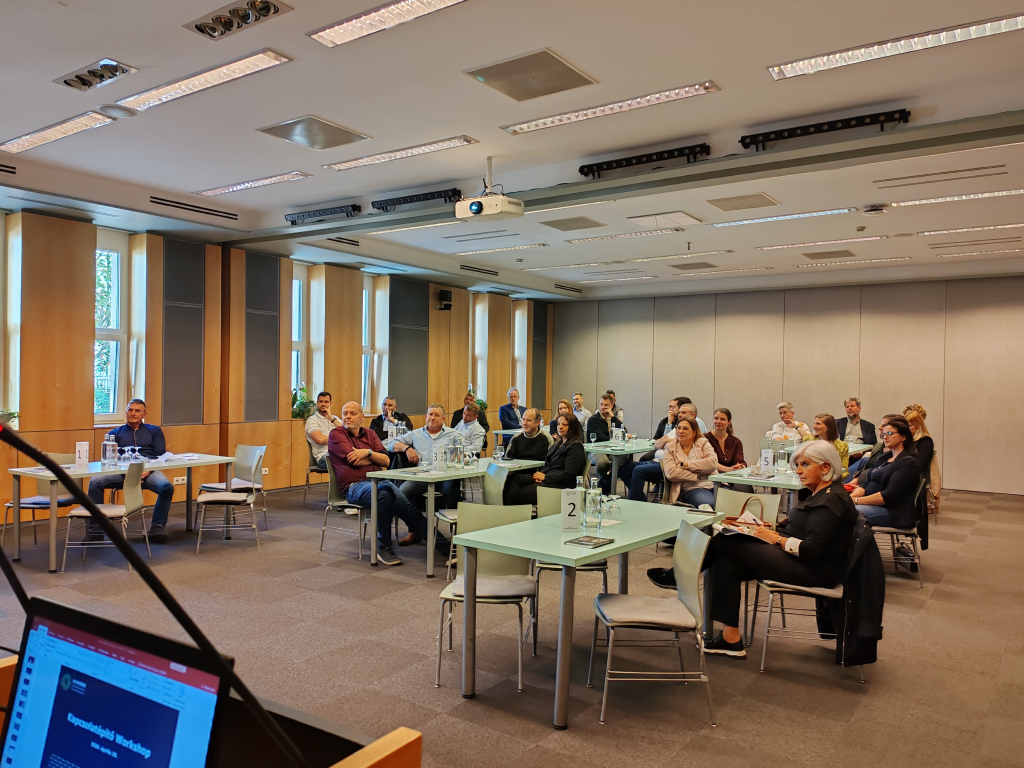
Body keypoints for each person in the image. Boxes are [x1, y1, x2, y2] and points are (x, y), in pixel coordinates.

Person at [647, 441, 858, 659]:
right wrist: (765, 530)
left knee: (728, 541)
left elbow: (813, 550)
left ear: (825, 467)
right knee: (726, 562)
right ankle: (730, 639)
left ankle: (679, 576)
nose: (798, 471)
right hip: (803, 560)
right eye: (797, 465)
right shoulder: (824, 494)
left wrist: (776, 539)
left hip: (814, 570)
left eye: (805, 464)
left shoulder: (831, 500)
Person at [328, 401, 447, 567]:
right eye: (345, 413)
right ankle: (383, 547)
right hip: (355, 486)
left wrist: (367, 452)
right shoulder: (336, 434)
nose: (348, 417)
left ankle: (446, 548)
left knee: (408, 508)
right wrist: (373, 457)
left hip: (380, 481)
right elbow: (354, 460)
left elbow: (386, 460)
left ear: (362, 417)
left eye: (352, 413)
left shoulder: (370, 434)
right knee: (384, 495)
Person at [88, 399, 174, 543]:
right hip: (123, 472)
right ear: (126, 412)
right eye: (130, 410)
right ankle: (96, 529)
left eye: (137, 411)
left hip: (148, 471)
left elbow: (159, 455)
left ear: (144, 414)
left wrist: (147, 471)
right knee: (95, 482)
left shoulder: (154, 431)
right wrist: (126, 472)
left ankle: (157, 528)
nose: (133, 413)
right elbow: (112, 458)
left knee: (166, 487)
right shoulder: (115, 433)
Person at [392, 404, 461, 525]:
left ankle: (457, 528)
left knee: (451, 489)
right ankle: (417, 527)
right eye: (430, 414)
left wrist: (459, 455)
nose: (432, 418)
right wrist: (407, 448)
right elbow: (392, 444)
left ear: (443, 419)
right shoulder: (416, 434)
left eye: (437, 415)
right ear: (426, 416)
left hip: (446, 476)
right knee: (403, 491)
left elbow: (467, 453)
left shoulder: (454, 434)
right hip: (422, 477)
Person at [849, 416, 920, 528]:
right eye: (883, 434)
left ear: (903, 437)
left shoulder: (908, 463)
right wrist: (850, 498)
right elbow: (866, 483)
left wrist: (856, 501)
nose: (885, 437)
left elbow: (887, 496)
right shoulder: (884, 458)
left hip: (892, 511)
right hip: (872, 504)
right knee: (838, 507)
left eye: (890, 433)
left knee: (845, 511)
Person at [503, 414, 586, 505]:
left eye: (564, 424)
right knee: (513, 479)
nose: (560, 427)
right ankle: (507, 509)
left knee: (519, 493)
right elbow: (548, 464)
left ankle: (510, 510)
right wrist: (540, 475)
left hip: (558, 485)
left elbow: (570, 476)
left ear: (572, 427)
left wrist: (545, 477)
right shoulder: (558, 444)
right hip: (548, 479)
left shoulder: (575, 447)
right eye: (558, 424)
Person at [618, 397, 685, 501]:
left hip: (667, 464)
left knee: (638, 470)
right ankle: (639, 497)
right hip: (656, 460)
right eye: (679, 412)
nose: (679, 414)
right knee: (623, 470)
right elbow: (657, 443)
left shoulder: (689, 427)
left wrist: (666, 440)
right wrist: (665, 439)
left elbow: (680, 442)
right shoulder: (674, 425)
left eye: (682, 412)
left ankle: (635, 499)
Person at [662, 416, 718, 508]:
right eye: (678, 428)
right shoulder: (670, 447)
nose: (680, 431)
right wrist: (698, 473)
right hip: (692, 488)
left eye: (685, 428)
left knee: (734, 501)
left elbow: (712, 463)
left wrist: (685, 465)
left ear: (694, 432)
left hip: (715, 484)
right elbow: (671, 473)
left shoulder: (703, 442)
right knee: (709, 505)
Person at [903, 405, 940, 514]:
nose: (907, 429)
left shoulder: (925, 441)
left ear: (918, 425)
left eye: (910, 426)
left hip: (914, 474)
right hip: (905, 470)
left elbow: (919, 464)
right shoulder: (907, 439)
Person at [586, 395, 623, 493]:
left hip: (612, 449)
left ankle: (603, 484)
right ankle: (607, 485)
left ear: (611, 406)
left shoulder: (613, 419)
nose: (603, 407)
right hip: (596, 449)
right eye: (601, 404)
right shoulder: (593, 419)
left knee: (625, 463)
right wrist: (616, 438)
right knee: (603, 464)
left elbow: (623, 432)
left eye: (606, 405)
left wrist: (613, 417)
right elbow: (601, 438)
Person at [847, 413, 898, 482]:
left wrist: (858, 482)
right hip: (860, 478)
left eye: (884, 426)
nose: (879, 427)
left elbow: (878, 472)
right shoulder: (879, 446)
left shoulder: (895, 453)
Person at [802, 413, 850, 480]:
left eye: (818, 424)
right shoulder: (808, 441)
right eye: (814, 423)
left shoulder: (842, 446)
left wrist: (831, 479)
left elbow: (844, 470)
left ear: (829, 426)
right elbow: (802, 464)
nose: (814, 426)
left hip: (833, 480)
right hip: (811, 479)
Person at [305, 391, 341, 471]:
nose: (323, 404)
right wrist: (341, 438)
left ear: (331, 404)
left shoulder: (335, 419)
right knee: (344, 460)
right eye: (321, 402)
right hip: (323, 457)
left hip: (339, 453)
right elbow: (320, 440)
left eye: (326, 402)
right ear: (317, 403)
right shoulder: (312, 420)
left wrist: (331, 419)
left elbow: (348, 433)